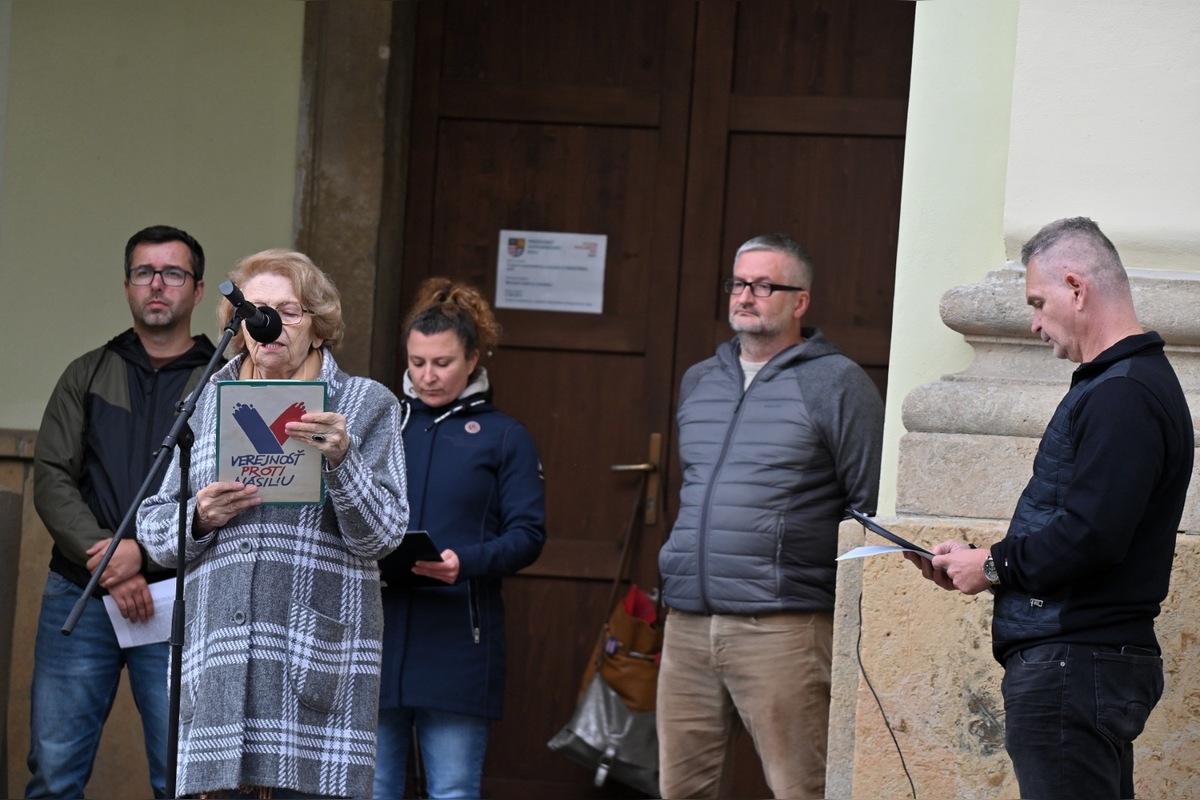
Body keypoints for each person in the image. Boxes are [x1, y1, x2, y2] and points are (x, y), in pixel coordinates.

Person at [906, 217, 1193, 800]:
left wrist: (991, 564)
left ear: (1077, 288)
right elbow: (1085, 525)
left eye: (1038, 302)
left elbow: (1092, 535)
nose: (1034, 323)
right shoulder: (1123, 385)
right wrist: (983, 564)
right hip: (1082, 664)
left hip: (1075, 665)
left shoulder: (1123, 393)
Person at [137, 249, 409, 799]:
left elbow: (384, 535)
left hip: (309, 658)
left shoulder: (363, 404)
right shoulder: (205, 401)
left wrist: (343, 462)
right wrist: (198, 516)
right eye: (256, 311)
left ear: (318, 326)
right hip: (218, 659)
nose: (270, 324)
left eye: (288, 310)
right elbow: (153, 525)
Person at [656, 233, 885, 799]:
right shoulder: (699, 380)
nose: (745, 296)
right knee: (681, 790)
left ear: (799, 301)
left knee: (799, 790)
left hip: (783, 625)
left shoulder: (837, 383)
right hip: (687, 622)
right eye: (738, 283)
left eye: (764, 285)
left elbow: (868, 504)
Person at [27, 224, 213, 799]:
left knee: (180, 779)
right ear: (128, 286)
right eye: (144, 273)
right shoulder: (86, 373)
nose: (157, 285)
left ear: (199, 290)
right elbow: (53, 476)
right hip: (80, 592)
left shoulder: (222, 383)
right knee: (55, 774)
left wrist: (146, 560)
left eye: (173, 273)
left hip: (178, 600)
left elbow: (230, 490)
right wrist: (110, 560)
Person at [373, 278, 546, 800]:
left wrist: (463, 563)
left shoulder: (505, 436)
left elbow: (529, 535)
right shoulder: (383, 426)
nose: (427, 376)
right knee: (373, 789)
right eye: (417, 362)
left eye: (442, 363)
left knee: (451, 790)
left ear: (473, 359)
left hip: (458, 638)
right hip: (379, 636)